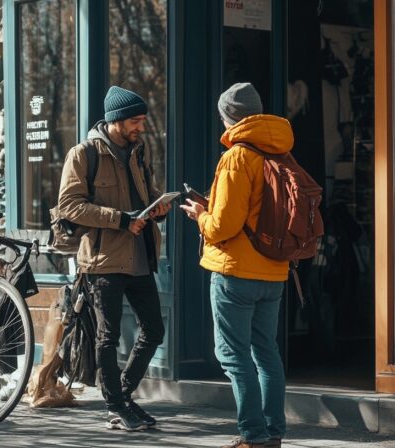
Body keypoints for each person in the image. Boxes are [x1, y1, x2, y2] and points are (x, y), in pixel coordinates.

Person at [181, 82, 288, 448]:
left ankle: (253, 436)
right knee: (267, 353)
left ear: (228, 117)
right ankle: (273, 432)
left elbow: (223, 225)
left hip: (235, 272)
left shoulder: (237, 156)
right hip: (274, 270)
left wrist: (200, 215)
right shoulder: (280, 151)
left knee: (233, 355)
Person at [57, 86, 171, 432]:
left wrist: (159, 208)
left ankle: (123, 395)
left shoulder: (138, 151)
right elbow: (70, 206)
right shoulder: (83, 154)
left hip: (140, 256)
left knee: (154, 329)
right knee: (107, 337)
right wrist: (122, 219)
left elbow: (146, 196)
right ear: (116, 121)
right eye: (136, 121)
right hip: (103, 260)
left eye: (142, 121)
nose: (142, 128)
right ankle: (114, 407)